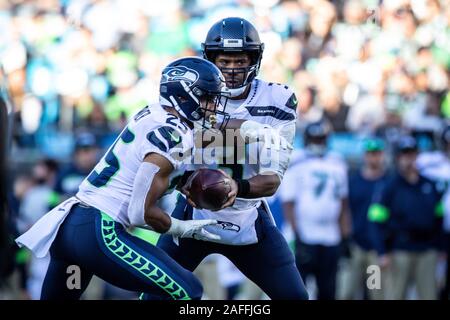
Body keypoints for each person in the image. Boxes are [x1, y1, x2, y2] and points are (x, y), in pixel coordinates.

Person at [15, 57, 233, 300]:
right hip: (99, 230)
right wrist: (181, 228)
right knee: (188, 290)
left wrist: (184, 182)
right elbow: (139, 212)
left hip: (70, 228)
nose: (213, 106)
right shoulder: (173, 135)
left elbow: (146, 168)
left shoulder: (152, 113)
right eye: (207, 97)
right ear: (182, 96)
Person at [150, 17, 308, 300]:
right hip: (193, 212)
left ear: (255, 59)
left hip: (247, 215)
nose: (232, 69)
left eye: (240, 60)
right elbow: (165, 153)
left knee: (295, 297)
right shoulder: (192, 93)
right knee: (155, 292)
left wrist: (238, 187)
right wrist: (185, 180)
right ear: (210, 59)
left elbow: (272, 180)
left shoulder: (277, 99)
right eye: (224, 61)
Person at [368, 135, 445, 300]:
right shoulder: (389, 187)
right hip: (399, 250)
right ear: (398, 158)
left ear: (417, 155)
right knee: (395, 295)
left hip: (427, 251)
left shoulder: (430, 185)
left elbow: (439, 217)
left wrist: (441, 247)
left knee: (429, 295)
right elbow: (375, 221)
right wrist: (382, 251)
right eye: (404, 155)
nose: (408, 159)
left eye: (412, 154)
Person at [281, 121, 350, 300]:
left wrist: (345, 236)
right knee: (299, 290)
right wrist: (297, 235)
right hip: (305, 233)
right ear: (307, 139)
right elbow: (288, 203)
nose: (318, 143)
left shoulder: (337, 162)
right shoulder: (297, 161)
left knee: (328, 290)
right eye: (315, 139)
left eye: (321, 139)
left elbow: (343, 202)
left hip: (331, 235)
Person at [340, 138, 389, 300]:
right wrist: (346, 239)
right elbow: (345, 210)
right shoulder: (353, 181)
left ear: (382, 155)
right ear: (364, 156)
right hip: (356, 247)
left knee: (375, 293)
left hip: (376, 250)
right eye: (370, 153)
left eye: (376, 153)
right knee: (347, 292)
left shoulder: (388, 182)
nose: (373, 157)